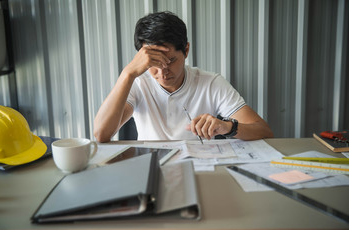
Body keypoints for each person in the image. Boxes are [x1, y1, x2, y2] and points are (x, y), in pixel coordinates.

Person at [94, 11, 273, 142]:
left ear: (186, 50)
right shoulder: (137, 82)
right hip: (152, 168)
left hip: (199, 167)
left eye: (170, 60)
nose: (163, 71)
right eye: (154, 63)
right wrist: (128, 73)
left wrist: (227, 127)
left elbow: (263, 131)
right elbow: (101, 134)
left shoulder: (211, 83)